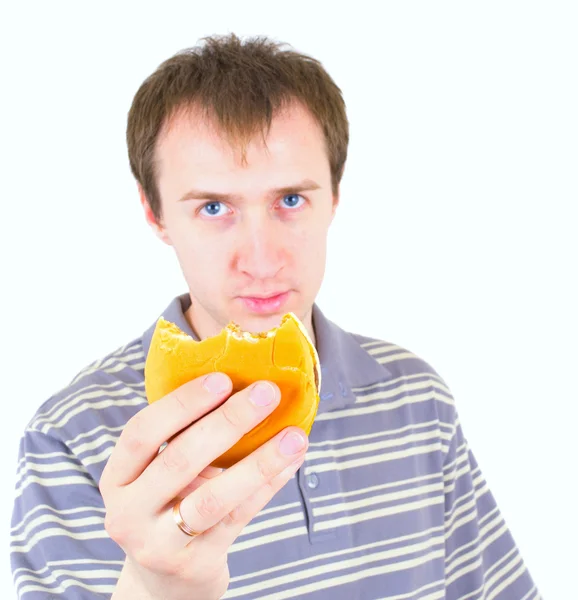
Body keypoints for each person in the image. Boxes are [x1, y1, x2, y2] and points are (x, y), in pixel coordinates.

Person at [10, 33, 541, 600]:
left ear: (334, 196)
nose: (262, 261)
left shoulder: (415, 397)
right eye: (213, 207)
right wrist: (155, 586)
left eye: (290, 200)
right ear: (155, 212)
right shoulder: (69, 439)